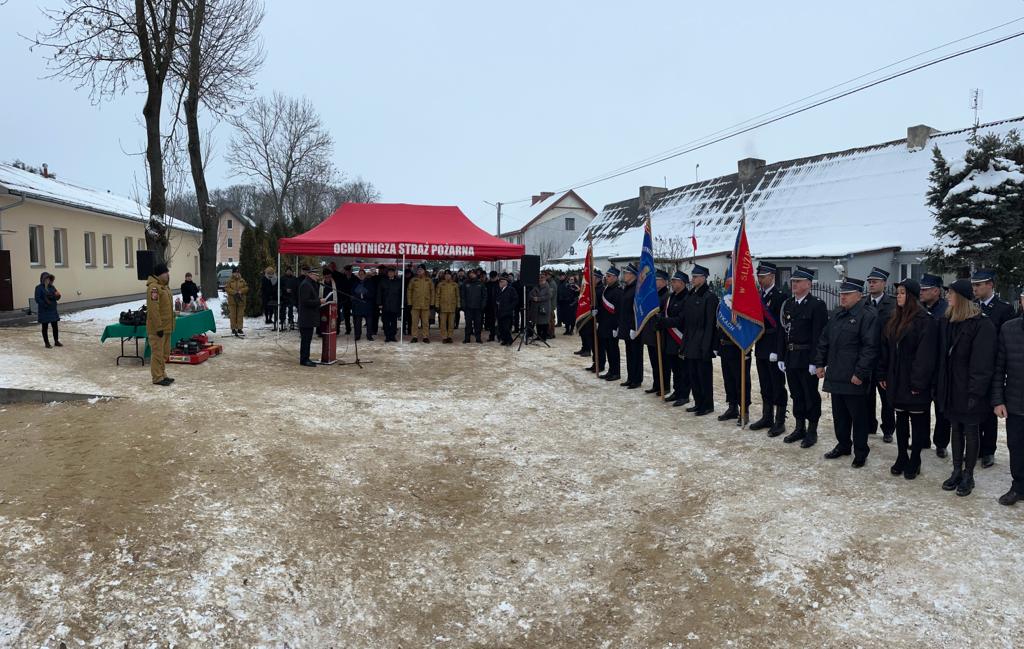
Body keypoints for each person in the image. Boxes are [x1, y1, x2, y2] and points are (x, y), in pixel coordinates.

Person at [937, 278, 997, 496]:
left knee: (971, 431)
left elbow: (983, 363)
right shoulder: (949, 321)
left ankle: (968, 475)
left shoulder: (981, 325)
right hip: (952, 388)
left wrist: (975, 392)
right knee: (955, 429)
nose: (947, 297)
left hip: (970, 390)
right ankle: (956, 471)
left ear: (961, 298)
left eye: (950, 293)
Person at [877, 279, 938, 480]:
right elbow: (885, 349)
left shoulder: (924, 320)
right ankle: (902, 455)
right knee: (901, 419)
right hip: (896, 379)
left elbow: (925, 356)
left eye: (902, 293)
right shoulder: (894, 318)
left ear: (911, 296)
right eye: (898, 293)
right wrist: (882, 373)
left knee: (917, 421)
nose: (899, 296)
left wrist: (918, 382)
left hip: (914, 381)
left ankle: (915, 458)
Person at [816, 277, 878, 467]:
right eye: (841, 293)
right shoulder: (837, 314)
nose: (842, 297)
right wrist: (820, 363)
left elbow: (870, 347)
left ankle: (861, 452)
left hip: (853, 377)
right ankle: (843, 445)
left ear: (859, 295)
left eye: (847, 294)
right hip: (836, 374)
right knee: (840, 416)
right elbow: (824, 340)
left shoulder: (868, 315)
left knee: (858, 418)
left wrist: (860, 373)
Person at [777, 266, 828, 446]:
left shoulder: (817, 305)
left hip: (807, 357)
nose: (794, 284)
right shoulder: (789, 304)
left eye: (798, 281)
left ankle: (812, 430)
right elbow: (783, 332)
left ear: (808, 284)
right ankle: (800, 427)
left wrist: (816, 361)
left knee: (810, 395)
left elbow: (819, 336)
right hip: (791, 356)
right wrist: (781, 356)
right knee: (796, 394)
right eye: (793, 281)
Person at [972, 268, 1015, 468]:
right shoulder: (972, 307)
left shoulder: (1004, 309)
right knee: (974, 408)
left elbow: (1008, 340)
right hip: (974, 366)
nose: (975, 289)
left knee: (990, 411)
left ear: (990, 285)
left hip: (993, 366)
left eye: (979, 285)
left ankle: (988, 450)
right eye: (973, 285)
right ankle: (975, 447)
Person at [991, 289, 1024, 505]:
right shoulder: (1009, 329)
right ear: (1021, 301)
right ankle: (1018, 486)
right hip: (1016, 401)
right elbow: (998, 368)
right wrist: (998, 400)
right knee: (1016, 446)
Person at [750, 262, 789, 435]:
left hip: (774, 346)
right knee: (765, 383)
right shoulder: (759, 296)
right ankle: (767, 416)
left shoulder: (781, 296)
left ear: (772, 276)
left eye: (763, 276)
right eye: (758, 276)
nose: (760, 279)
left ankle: (780, 421)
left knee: (777, 385)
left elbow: (781, 327)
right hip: (761, 345)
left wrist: (777, 350)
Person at [863, 267, 897, 443]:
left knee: (887, 398)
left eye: (875, 282)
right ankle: (869, 425)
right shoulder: (863, 303)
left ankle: (888, 429)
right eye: (869, 282)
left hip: (885, 358)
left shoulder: (893, 304)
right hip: (866, 358)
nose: (871, 284)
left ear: (884, 283)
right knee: (866, 395)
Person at [920, 273, 950, 457]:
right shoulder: (919, 308)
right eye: (921, 289)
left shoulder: (946, 311)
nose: (921, 292)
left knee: (941, 409)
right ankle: (922, 439)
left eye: (925, 289)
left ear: (936, 291)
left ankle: (941, 443)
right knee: (921, 406)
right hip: (923, 366)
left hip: (940, 366)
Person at [682, 264, 718, 415]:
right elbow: (687, 322)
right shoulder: (691, 295)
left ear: (704, 278)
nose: (693, 279)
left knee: (704, 377)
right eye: (693, 276)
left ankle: (707, 405)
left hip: (702, 342)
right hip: (691, 341)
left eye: (696, 277)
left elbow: (710, 324)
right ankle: (698, 402)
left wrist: (707, 346)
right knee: (693, 375)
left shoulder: (710, 297)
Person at [717, 277, 752, 421]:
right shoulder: (723, 302)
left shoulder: (745, 303)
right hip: (725, 346)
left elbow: (748, 326)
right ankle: (732, 407)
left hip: (739, 347)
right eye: (726, 285)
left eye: (731, 285)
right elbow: (718, 325)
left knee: (741, 380)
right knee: (728, 380)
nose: (728, 287)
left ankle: (744, 409)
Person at [661, 270, 691, 407]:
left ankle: (684, 395)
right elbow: (666, 313)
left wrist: (664, 321)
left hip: (681, 338)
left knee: (683, 369)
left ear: (682, 283)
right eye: (672, 281)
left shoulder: (687, 298)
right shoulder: (671, 297)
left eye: (675, 281)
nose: (672, 283)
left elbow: (682, 319)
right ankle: (677, 391)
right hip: (670, 338)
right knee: (675, 368)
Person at [145, 263, 175, 386]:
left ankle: (162, 374)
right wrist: (158, 327)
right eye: (165, 272)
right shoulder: (154, 288)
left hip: (167, 327)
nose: (168, 274)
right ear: (159, 274)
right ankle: (157, 377)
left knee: (165, 353)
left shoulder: (165, 287)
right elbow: (153, 309)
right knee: (157, 353)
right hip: (158, 328)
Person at [642, 269, 670, 395]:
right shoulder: (653, 295)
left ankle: (665, 386)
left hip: (660, 334)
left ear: (664, 282)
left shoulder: (666, 296)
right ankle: (656, 384)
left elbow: (666, 314)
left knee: (663, 363)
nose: (656, 282)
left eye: (658, 280)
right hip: (651, 333)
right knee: (654, 362)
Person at [618, 264, 643, 389]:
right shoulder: (627, 288)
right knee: (629, 353)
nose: (625, 275)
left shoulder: (637, 289)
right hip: (626, 327)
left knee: (636, 354)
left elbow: (637, 311)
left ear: (633, 275)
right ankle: (630, 377)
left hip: (634, 328)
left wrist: (635, 328)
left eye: (627, 273)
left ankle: (637, 379)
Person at [598, 268, 622, 381]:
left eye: (609, 276)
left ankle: (616, 372)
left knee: (613, 350)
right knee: (608, 349)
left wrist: (615, 327)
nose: (606, 278)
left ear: (615, 277)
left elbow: (618, 311)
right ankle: (611, 370)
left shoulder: (618, 291)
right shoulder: (607, 289)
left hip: (612, 326)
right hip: (605, 324)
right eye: (606, 276)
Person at [297, 266, 324, 367]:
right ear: (311, 274)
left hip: (309, 317)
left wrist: (318, 300)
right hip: (306, 317)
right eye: (316, 275)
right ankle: (304, 360)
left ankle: (306, 358)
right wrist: (319, 301)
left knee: (308, 339)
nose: (318, 277)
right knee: (306, 340)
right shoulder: (306, 285)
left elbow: (310, 298)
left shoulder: (310, 284)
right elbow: (305, 301)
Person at [35, 272, 62, 348]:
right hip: (44, 310)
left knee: (55, 326)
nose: (48, 280)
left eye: (49, 279)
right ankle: (47, 343)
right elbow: (37, 299)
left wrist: (57, 296)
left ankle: (56, 341)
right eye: (46, 279)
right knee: (45, 327)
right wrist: (45, 304)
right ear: (43, 279)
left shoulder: (52, 287)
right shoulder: (38, 288)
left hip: (52, 309)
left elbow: (56, 296)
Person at [407, 265, 434, 342]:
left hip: (426, 304)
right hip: (415, 305)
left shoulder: (429, 280)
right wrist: (409, 303)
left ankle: (425, 337)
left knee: (425, 322)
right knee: (414, 322)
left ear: (424, 271)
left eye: (421, 269)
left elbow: (432, 292)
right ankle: (414, 336)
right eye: (418, 269)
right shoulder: (413, 280)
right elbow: (409, 292)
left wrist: (432, 303)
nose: (419, 270)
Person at [377, 266, 403, 342]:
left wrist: (401, 303)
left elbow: (401, 293)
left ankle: (393, 336)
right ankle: (387, 336)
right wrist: (379, 303)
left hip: (395, 305)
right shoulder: (383, 281)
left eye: (392, 272)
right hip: (385, 304)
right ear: (387, 273)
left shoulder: (399, 281)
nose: (390, 273)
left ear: (394, 273)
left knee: (394, 321)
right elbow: (379, 293)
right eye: (389, 272)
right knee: (386, 322)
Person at [462, 269, 488, 343]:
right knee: (468, 324)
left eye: (473, 273)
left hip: (478, 308)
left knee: (478, 324)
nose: (471, 275)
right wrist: (464, 305)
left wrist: (483, 305)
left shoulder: (480, 283)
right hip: (468, 308)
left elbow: (484, 296)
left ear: (476, 274)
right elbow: (463, 296)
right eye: (470, 273)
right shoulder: (465, 283)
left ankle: (478, 338)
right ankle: (467, 338)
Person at [435, 271, 461, 343]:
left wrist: (458, 305)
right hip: (443, 307)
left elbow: (457, 296)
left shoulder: (455, 285)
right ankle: (444, 337)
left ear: (451, 276)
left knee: (451, 323)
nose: (447, 276)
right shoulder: (440, 284)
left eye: (448, 275)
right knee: (443, 324)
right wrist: (437, 305)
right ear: (444, 276)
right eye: (446, 275)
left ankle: (450, 337)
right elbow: (437, 295)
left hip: (452, 306)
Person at [351, 269, 374, 341]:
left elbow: (373, 293)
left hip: (367, 304)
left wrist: (364, 294)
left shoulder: (370, 283)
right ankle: (357, 335)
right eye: (360, 274)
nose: (361, 275)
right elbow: (352, 293)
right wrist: (357, 296)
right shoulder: (355, 283)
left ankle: (369, 336)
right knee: (357, 322)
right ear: (358, 275)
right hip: (358, 305)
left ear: (365, 275)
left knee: (369, 322)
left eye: (362, 274)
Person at [225, 268, 248, 337]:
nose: (237, 274)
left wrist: (241, 291)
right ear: (233, 273)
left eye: (238, 272)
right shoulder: (230, 280)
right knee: (233, 315)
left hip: (241, 300)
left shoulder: (242, 280)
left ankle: (239, 328)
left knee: (240, 315)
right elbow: (227, 288)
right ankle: (233, 328)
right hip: (232, 300)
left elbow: (246, 288)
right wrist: (234, 292)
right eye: (235, 272)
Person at [495, 275, 517, 345]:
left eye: (502, 282)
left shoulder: (511, 289)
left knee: (506, 327)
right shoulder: (499, 290)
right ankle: (504, 340)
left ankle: (509, 340)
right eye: (499, 282)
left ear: (506, 282)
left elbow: (515, 300)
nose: (500, 283)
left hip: (507, 312)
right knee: (501, 327)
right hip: (500, 311)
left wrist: (510, 308)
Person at [485, 270, 499, 341]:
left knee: (499, 321)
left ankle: (499, 336)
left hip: (498, 306)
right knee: (491, 322)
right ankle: (492, 335)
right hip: (490, 306)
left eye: (494, 277)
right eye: (491, 277)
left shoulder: (500, 283)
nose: (493, 279)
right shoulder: (487, 284)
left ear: (497, 276)